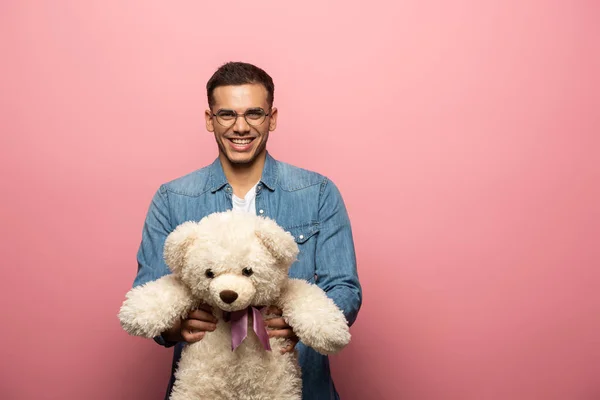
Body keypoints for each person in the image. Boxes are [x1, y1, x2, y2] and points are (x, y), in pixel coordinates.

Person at [131, 61, 362, 400]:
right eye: (227, 115)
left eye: (254, 114)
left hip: (299, 387)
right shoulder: (172, 199)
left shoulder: (318, 192)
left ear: (272, 117)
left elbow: (345, 287)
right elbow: (147, 289)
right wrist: (174, 326)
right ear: (210, 120)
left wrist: (304, 321)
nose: (241, 127)